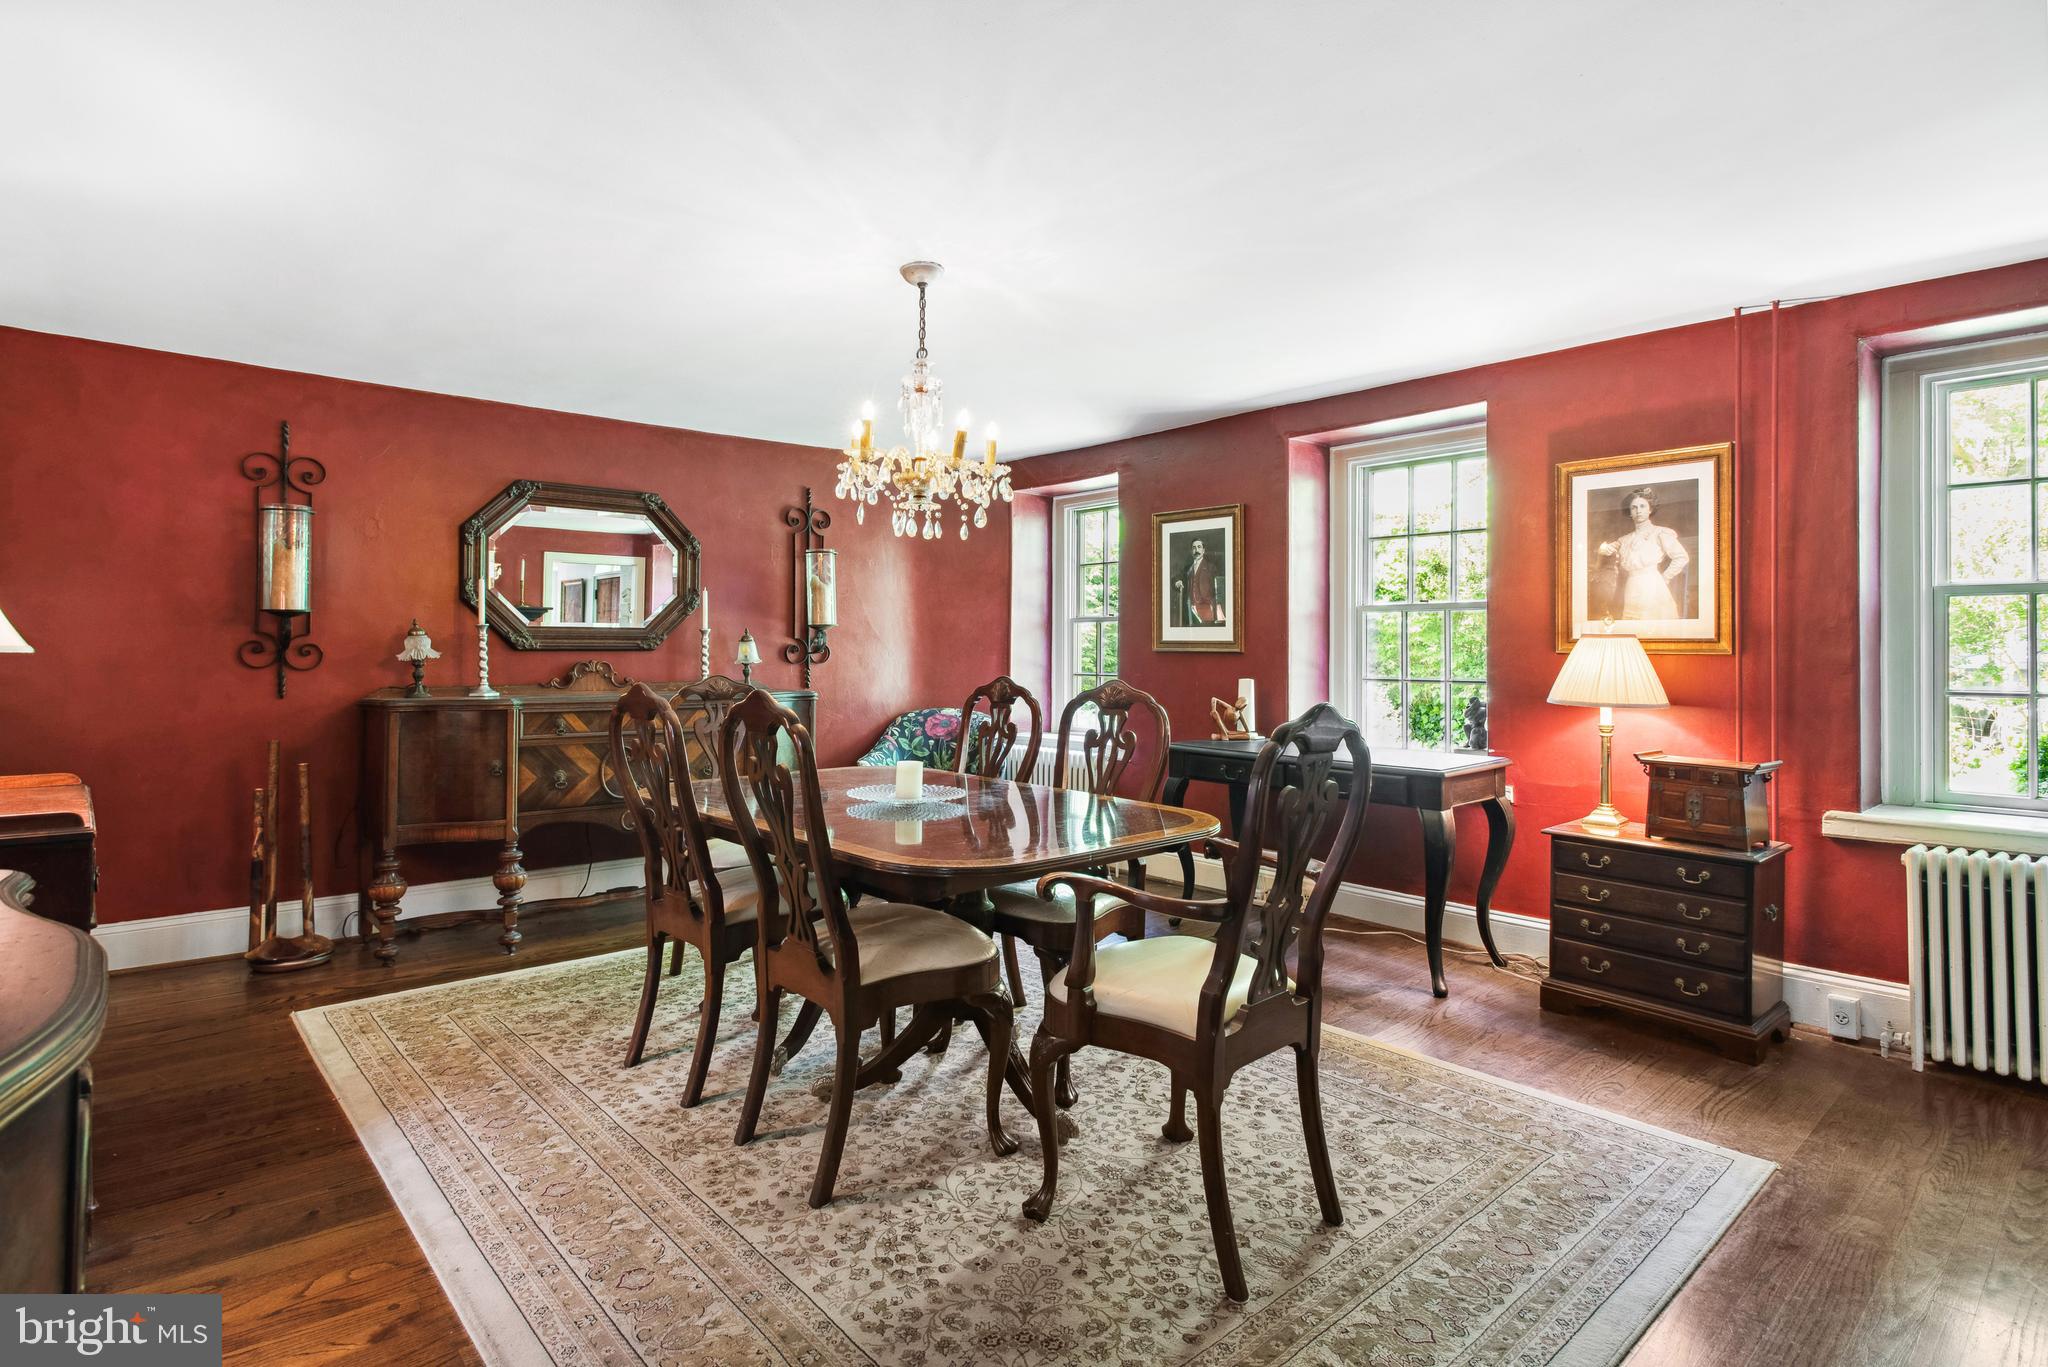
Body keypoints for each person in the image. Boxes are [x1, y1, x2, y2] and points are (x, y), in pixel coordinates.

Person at [1596, 487, 1689, 621]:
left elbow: (1681, 557)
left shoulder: (1660, 533)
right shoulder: (1624, 540)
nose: (1638, 510)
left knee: (1653, 622)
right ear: (1630, 513)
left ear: (1650, 509)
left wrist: (1665, 577)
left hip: (1652, 584)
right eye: (1634, 507)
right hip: (1632, 585)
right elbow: (1604, 549)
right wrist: (1605, 548)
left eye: (1642, 506)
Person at [1176, 538, 1223, 626]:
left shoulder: (1211, 568)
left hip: (1206, 609)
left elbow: (1218, 591)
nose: (1196, 550)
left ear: (1203, 550)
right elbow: (1178, 577)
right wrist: (1177, 581)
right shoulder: (1188, 568)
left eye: (1199, 547)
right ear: (1191, 551)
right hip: (1190, 609)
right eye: (1194, 548)